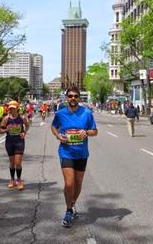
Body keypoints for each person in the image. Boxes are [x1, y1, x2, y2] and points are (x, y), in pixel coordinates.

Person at [51, 86, 98, 227]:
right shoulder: (60, 113)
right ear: (66, 97)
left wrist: (87, 133)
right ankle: (69, 210)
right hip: (66, 152)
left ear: (79, 97)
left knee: (78, 183)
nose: (73, 98)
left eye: (75, 96)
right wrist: (58, 135)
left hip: (82, 153)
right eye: (70, 96)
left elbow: (95, 131)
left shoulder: (87, 113)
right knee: (69, 183)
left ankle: (72, 203)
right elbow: (54, 127)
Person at [0, 100, 29, 190]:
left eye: (13, 108)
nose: (11, 110)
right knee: (12, 163)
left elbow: (27, 125)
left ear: (17, 108)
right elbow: (1, 131)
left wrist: (24, 132)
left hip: (19, 142)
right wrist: (6, 129)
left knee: (18, 163)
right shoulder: (6, 119)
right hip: (9, 142)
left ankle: (19, 180)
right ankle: (12, 179)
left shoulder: (22, 118)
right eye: (10, 108)